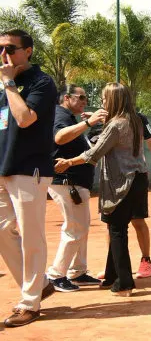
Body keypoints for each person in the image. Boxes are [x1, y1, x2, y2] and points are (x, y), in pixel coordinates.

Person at [55, 82, 148, 298]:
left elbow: (93, 154)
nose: (102, 102)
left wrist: (68, 162)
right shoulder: (134, 121)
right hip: (137, 180)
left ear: (113, 101)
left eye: (105, 99)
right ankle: (110, 276)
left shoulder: (115, 125)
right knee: (117, 228)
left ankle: (124, 283)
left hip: (121, 183)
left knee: (117, 231)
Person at [0, 29, 58, 327]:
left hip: (29, 169)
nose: (4, 55)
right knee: (3, 233)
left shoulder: (41, 82)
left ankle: (30, 303)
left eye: (10, 48)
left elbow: (24, 119)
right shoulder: (3, 87)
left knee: (31, 236)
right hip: (4, 169)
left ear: (28, 51)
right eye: (1, 49)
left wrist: (9, 83)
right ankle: (40, 284)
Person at [94, 113, 151, 281]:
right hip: (112, 180)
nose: (104, 102)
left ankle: (146, 261)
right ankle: (113, 266)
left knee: (137, 219)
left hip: (135, 177)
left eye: (106, 98)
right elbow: (95, 146)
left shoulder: (139, 119)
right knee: (111, 224)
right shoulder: (102, 119)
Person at [48, 84, 105, 292]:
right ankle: (55, 275)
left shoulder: (69, 117)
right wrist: (88, 123)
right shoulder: (60, 114)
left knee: (81, 227)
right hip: (66, 181)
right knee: (74, 228)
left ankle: (78, 272)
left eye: (85, 98)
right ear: (65, 98)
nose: (84, 101)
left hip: (76, 182)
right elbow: (59, 137)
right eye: (80, 97)